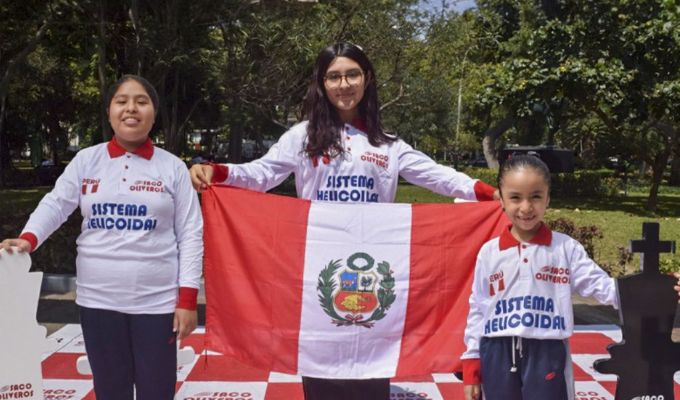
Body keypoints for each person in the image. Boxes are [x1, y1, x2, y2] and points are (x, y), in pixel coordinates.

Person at [190, 42, 498, 400]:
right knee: (321, 361)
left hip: (374, 272)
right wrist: (219, 172)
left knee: (372, 361)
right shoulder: (302, 136)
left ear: (367, 79)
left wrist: (490, 193)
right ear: (322, 84)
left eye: (352, 74)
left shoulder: (388, 145)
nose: (344, 84)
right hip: (320, 269)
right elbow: (261, 173)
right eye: (333, 77)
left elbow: (439, 176)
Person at [0, 75, 203, 400]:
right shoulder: (87, 160)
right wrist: (29, 238)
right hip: (98, 302)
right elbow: (56, 203)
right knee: (110, 391)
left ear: (154, 113)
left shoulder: (172, 168)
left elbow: (191, 234)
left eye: (141, 101)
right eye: (122, 101)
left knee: (156, 391)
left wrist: (188, 300)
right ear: (109, 112)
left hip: (157, 305)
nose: (131, 108)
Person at [460, 154, 619, 400]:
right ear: (501, 201)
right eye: (515, 197)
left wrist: (658, 289)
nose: (526, 207)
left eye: (535, 196)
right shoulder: (489, 253)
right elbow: (478, 309)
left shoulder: (565, 249)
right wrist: (471, 362)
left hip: (548, 351)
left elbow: (603, 287)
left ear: (548, 199)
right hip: (496, 352)